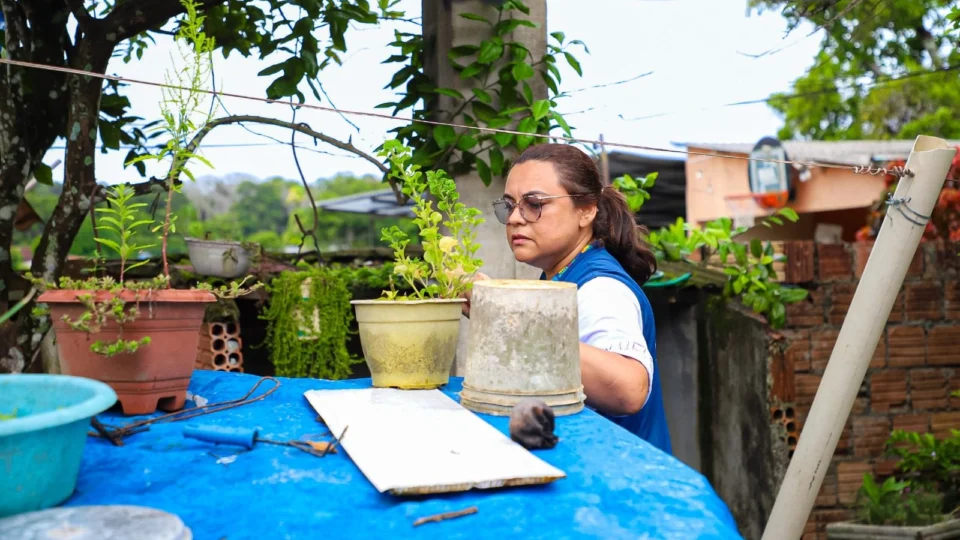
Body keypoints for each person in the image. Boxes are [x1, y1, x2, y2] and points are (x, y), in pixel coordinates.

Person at [462, 143, 672, 455]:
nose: (515, 218)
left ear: (586, 210)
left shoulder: (601, 289)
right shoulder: (562, 274)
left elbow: (629, 389)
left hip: (615, 473)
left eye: (534, 203)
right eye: (509, 205)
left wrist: (506, 315)